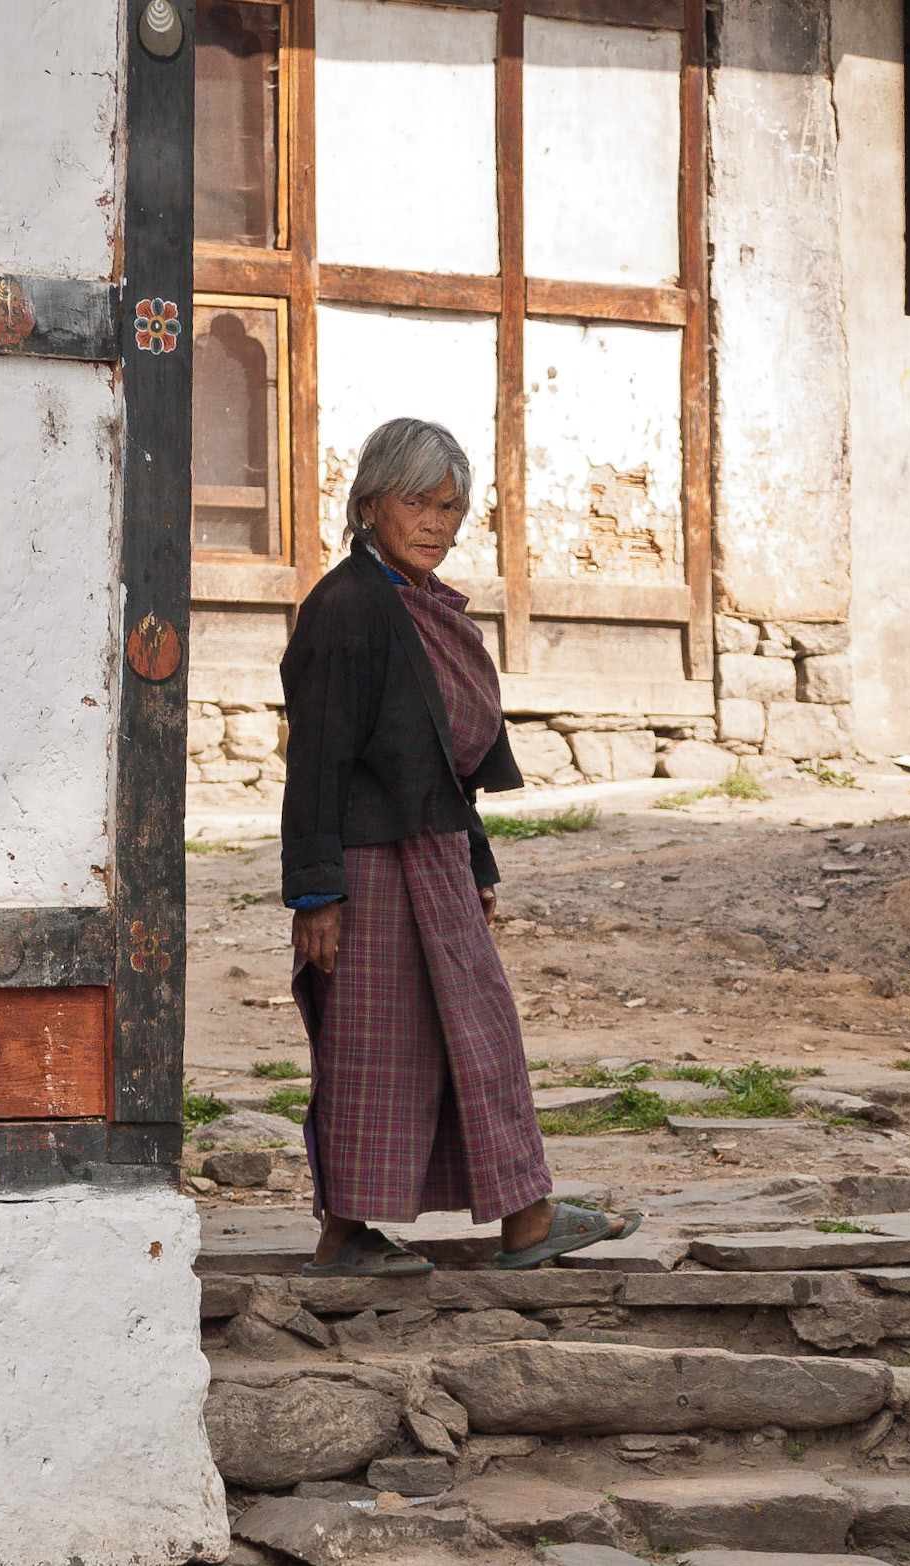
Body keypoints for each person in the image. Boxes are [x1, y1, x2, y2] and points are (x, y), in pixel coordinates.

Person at [280, 417, 641, 1276]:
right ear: (370, 505)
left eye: (451, 507)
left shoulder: (416, 604)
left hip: (433, 856)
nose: (437, 524)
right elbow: (318, 761)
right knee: (375, 1045)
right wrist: (316, 894)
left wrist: (475, 861)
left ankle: (528, 1217)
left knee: (479, 1035)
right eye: (418, 503)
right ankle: (346, 1236)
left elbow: (443, 758)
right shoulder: (347, 609)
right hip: (369, 866)